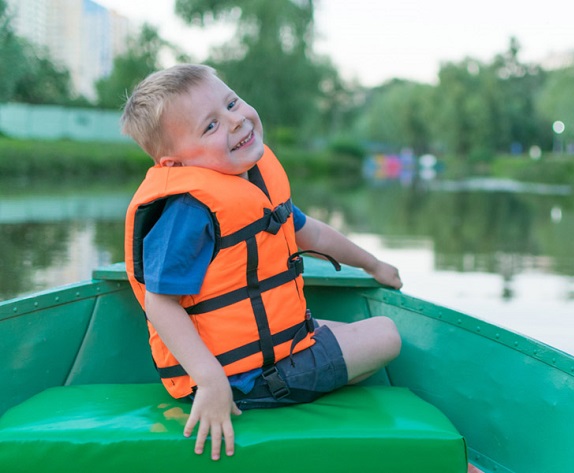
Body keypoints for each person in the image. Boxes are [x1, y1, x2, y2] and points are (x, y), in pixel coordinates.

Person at [120, 64, 403, 461]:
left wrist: (373, 265)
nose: (236, 121)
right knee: (386, 334)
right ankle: (277, 392)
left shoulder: (252, 181)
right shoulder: (189, 210)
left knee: (337, 332)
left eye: (232, 103)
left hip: (260, 359)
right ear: (174, 164)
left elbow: (315, 235)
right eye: (211, 126)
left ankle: (298, 372)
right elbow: (159, 303)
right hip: (243, 380)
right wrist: (211, 381)